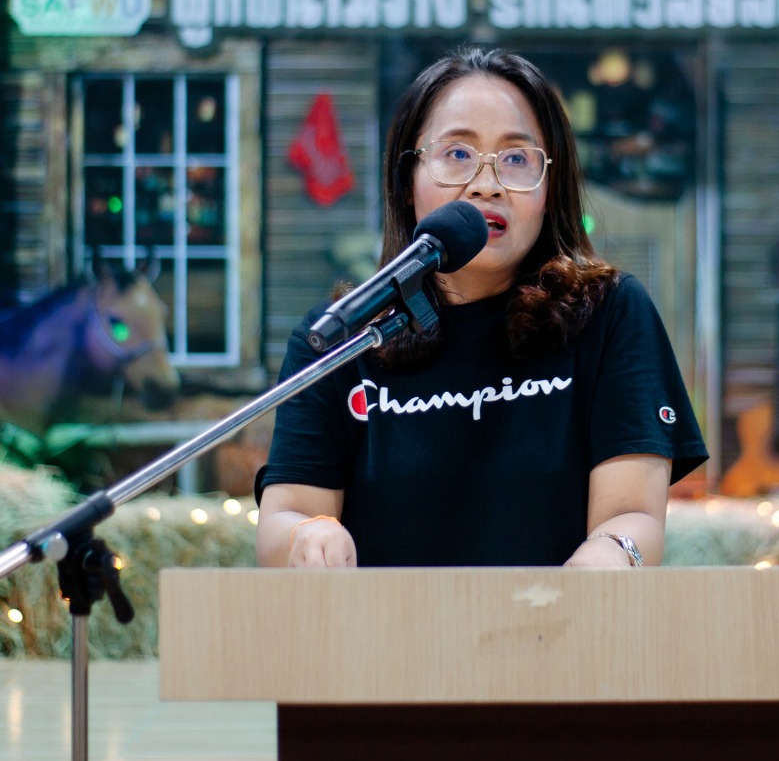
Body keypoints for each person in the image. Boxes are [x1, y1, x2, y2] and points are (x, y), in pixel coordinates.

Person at [255, 47, 707, 568]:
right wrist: (307, 534)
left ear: (550, 186)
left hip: (555, 616)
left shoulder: (609, 313)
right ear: (407, 181)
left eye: (516, 159)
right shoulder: (342, 337)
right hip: (385, 623)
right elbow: (285, 517)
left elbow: (633, 515)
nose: (486, 184)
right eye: (457, 154)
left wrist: (608, 555)